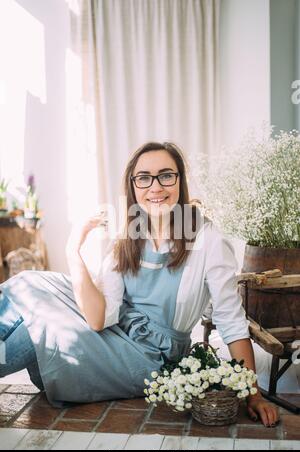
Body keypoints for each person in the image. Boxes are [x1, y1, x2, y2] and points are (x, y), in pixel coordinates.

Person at [0, 142, 278, 427]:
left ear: (180, 182)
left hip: (150, 358)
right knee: (30, 289)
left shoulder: (207, 240)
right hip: (113, 331)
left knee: (34, 323)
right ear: (133, 187)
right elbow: (99, 319)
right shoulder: (127, 239)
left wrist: (252, 395)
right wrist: (74, 249)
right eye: (144, 178)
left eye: (166, 175)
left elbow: (231, 321)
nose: (155, 187)